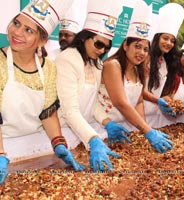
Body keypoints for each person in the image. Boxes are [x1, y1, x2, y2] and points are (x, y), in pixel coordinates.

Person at [0, 0, 84, 184]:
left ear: (43, 40)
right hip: (3, 145)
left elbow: (47, 113)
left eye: (29, 30)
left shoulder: (48, 68)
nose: (17, 32)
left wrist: (58, 142)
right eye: (16, 23)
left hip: (31, 143)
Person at [55, 0, 128, 172]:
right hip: (64, 132)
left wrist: (107, 122)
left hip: (84, 131)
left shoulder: (96, 64)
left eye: (106, 47)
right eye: (99, 44)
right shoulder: (67, 59)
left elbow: (92, 103)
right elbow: (69, 110)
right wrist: (93, 139)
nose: (102, 50)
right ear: (84, 38)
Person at [99, 1, 173, 153]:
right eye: (137, 46)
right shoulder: (113, 65)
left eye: (146, 49)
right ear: (126, 45)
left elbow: (139, 101)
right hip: (104, 128)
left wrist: (144, 131)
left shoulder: (140, 70)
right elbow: (120, 102)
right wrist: (147, 130)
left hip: (127, 128)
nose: (141, 53)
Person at [143, 3, 184, 118]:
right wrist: (158, 100)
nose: (169, 43)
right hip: (137, 112)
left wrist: (166, 99)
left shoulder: (167, 62)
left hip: (154, 114)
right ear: (157, 38)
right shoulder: (145, 58)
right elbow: (138, 89)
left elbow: (162, 92)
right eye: (165, 38)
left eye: (172, 41)